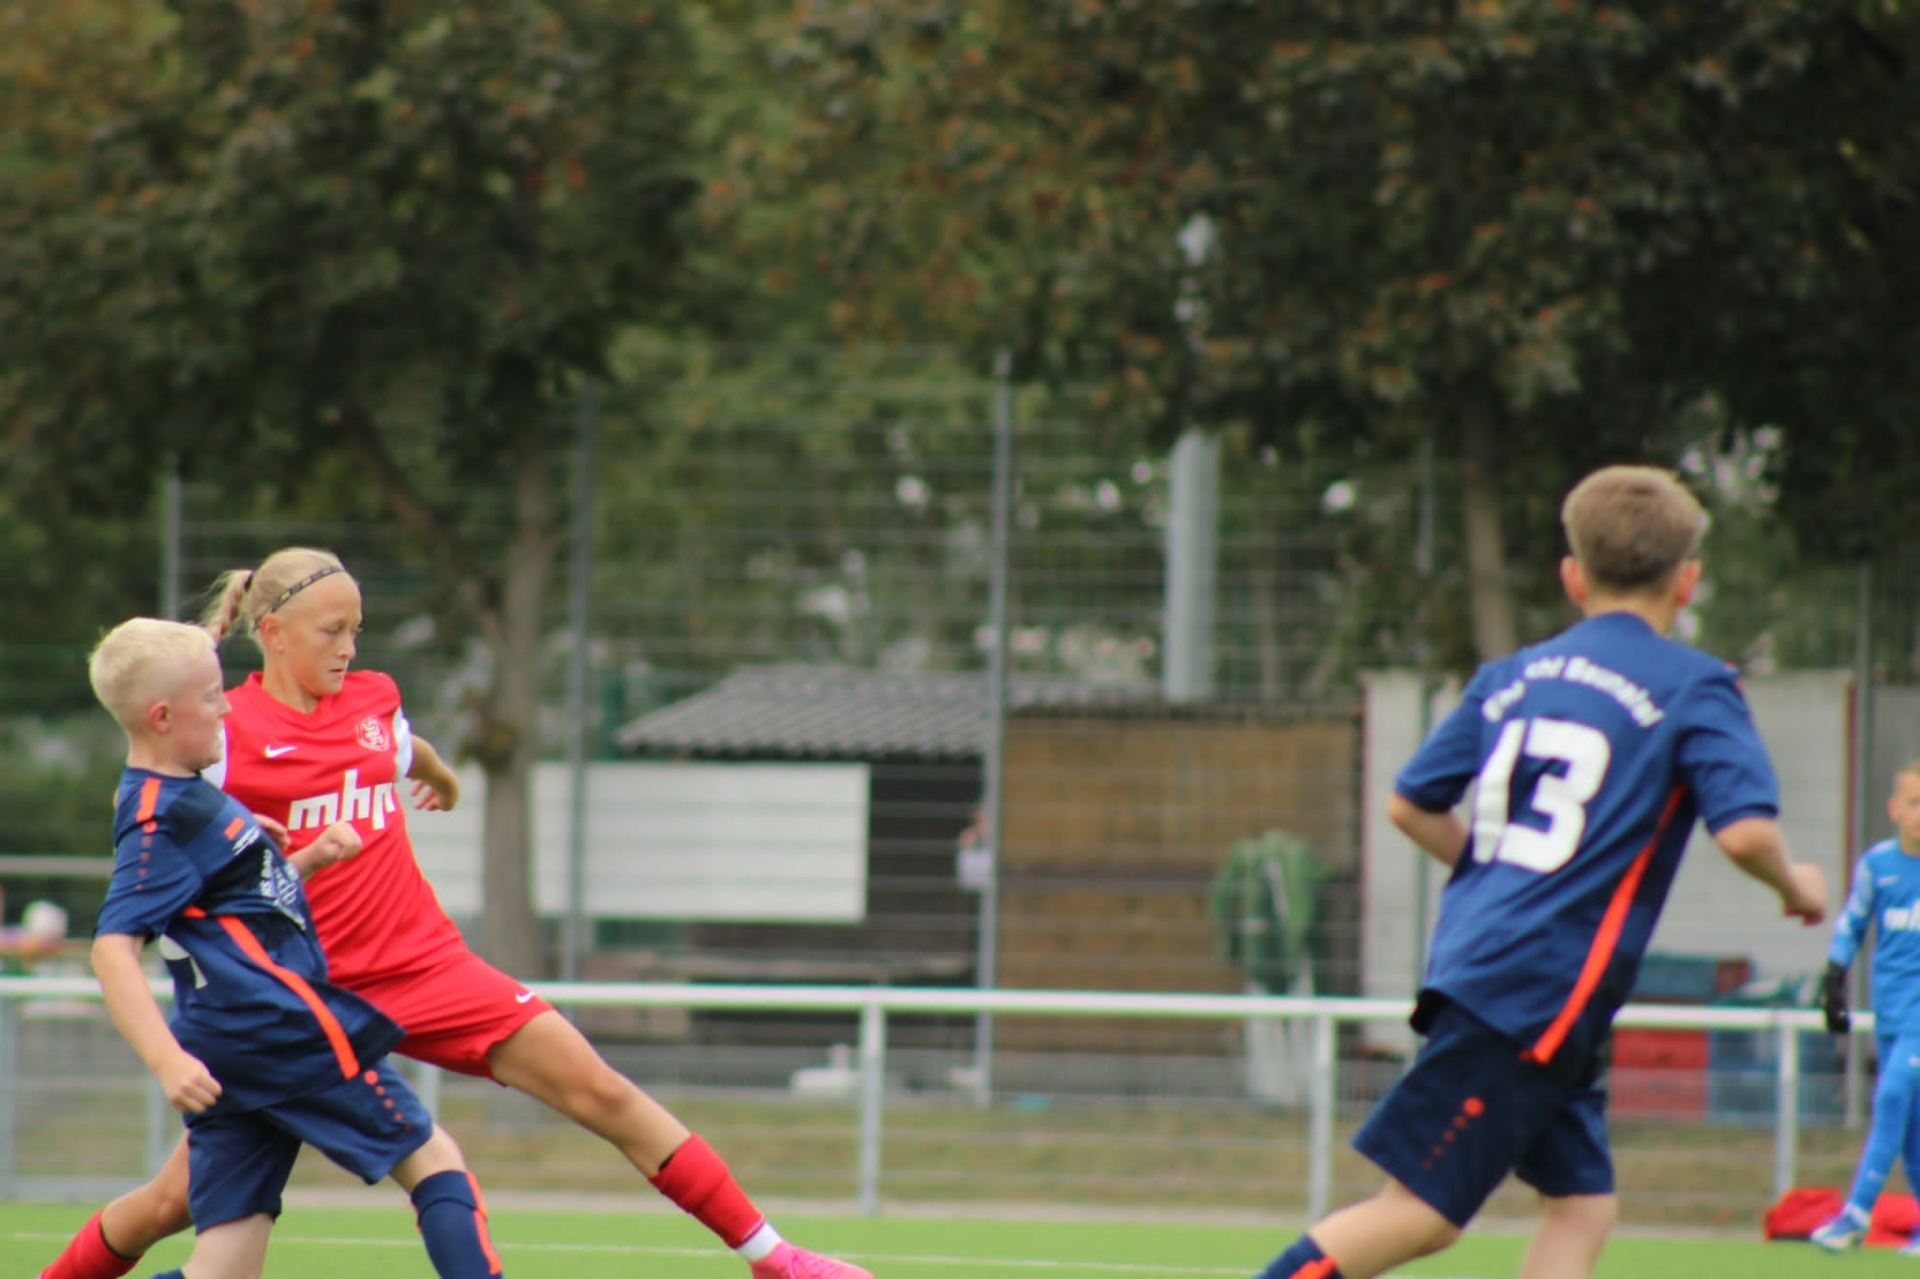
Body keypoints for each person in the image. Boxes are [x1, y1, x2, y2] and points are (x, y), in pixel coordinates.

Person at [44, 549, 871, 1279]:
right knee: (171, 1204)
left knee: (600, 1088)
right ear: (274, 632)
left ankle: (774, 1257)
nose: (349, 646)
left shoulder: (373, 698)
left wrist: (441, 779)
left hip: (426, 965)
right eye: (332, 630)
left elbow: (406, 748)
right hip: (310, 1001)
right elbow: (161, 827)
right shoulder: (225, 731)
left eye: (357, 628)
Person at [1251, 465, 1828, 1279]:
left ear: (1572, 576)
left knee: (1582, 1203)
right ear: (1688, 580)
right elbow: (1744, 834)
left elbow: (1410, 805)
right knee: (1420, 1212)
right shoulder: (1694, 684)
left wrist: (1500, 877)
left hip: (1494, 969)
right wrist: (1796, 884)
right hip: (1538, 986)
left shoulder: (1512, 676)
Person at [84, 617, 504, 1279]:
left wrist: (303, 860)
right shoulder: (160, 815)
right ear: (162, 717)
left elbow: (228, 916)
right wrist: (165, 1060)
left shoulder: (192, 798)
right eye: (212, 697)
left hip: (233, 1044)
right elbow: (112, 949)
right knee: (433, 1159)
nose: (227, 709)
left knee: (224, 1266)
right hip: (278, 1025)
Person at [1809, 761, 1920, 1254]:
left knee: (1892, 1095)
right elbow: (1851, 923)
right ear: (1894, 808)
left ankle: (1855, 1214)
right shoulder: (1878, 865)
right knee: (1911, 1125)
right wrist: (1833, 980)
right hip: (1891, 1011)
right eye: (1914, 803)